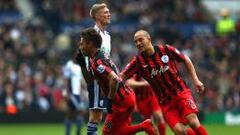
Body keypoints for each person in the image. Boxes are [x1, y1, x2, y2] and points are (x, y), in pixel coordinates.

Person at [121, 30, 208, 135]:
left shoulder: (165, 49)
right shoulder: (138, 62)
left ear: (149, 39)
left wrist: (196, 80)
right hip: (165, 102)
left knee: (193, 121)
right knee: (179, 131)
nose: (138, 43)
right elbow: (122, 76)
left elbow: (186, 60)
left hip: (180, 92)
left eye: (140, 40)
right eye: (136, 42)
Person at [76, 28, 157, 135]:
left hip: (121, 102)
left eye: (82, 44)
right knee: (120, 131)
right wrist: (82, 65)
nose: (80, 47)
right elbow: (90, 80)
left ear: (90, 44)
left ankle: (144, 126)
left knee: (107, 133)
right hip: (126, 97)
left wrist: (110, 99)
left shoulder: (98, 62)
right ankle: (144, 126)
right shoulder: (96, 57)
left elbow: (114, 78)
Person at [81, 3, 111, 135]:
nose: (108, 14)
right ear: (97, 16)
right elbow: (84, 54)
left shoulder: (107, 35)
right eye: (105, 12)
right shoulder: (92, 34)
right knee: (95, 117)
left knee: (98, 117)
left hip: (104, 78)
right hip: (96, 78)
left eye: (108, 11)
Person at [62, 51, 86, 135]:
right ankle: (76, 133)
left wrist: (84, 89)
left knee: (70, 113)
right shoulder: (69, 65)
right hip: (72, 93)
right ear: (73, 56)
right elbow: (65, 79)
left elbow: (79, 81)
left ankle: (68, 133)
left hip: (78, 94)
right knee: (81, 111)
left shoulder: (79, 67)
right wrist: (65, 92)